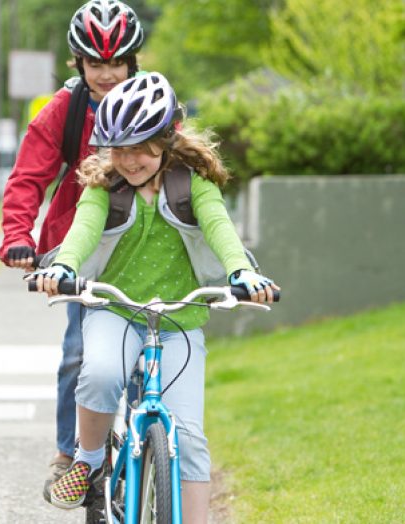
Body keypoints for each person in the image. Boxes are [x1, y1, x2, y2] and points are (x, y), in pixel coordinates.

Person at [28, 72, 280, 523]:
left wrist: (241, 270)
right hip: (116, 308)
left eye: (141, 147)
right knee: (101, 373)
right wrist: (64, 267)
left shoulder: (193, 184)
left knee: (191, 439)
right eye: (119, 149)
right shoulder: (104, 187)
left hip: (180, 318)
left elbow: (220, 228)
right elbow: (83, 229)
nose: (130, 160)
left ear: (166, 140)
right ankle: (87, 460)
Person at [0, 0, 145, 498]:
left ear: (134, 61)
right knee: (79, 354)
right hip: (81, 250)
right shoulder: (65, 110)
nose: (107, 74)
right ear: (77, 63)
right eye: (96, 63)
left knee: (156, 352)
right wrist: (19, 236)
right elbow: (26, 179)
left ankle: (160, 438)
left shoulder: (153, 102)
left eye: (117, 62)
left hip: (146, 243)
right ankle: (69, 452)